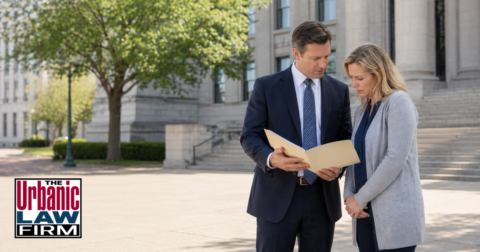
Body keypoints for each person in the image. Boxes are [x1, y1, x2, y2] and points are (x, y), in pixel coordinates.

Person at [240, 21, 352, 252]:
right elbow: (250, 135)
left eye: (327, 56)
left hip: (322, 199)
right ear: (296, 53)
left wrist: (338, 168)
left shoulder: (339, 91)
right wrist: (271, 158)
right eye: (315, 58)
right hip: (276, 197)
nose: (323, 64)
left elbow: (345, 138)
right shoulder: (266, 86)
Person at [343, 43, 426, 252]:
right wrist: (349, 197)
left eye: (359, 78)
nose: (354, 85)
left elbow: (395, 159)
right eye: (352, 78)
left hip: (394, 213)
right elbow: (353, 157)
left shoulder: (399, 102)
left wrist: (359, 199)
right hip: (363, 212)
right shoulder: (361, 111)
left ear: (379, 73)